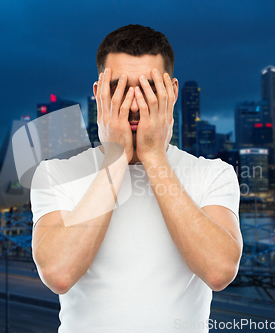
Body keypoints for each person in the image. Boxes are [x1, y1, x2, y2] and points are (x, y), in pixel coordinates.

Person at [30, 24, 242, 332]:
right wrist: (115, 157)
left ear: (172, 92)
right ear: (98, 92)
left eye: (148, 89)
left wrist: (154, 156)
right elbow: (59, 274)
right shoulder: (56, 174)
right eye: (118, 88)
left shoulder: (213, 174)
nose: (133, 105)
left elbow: (219, 271)